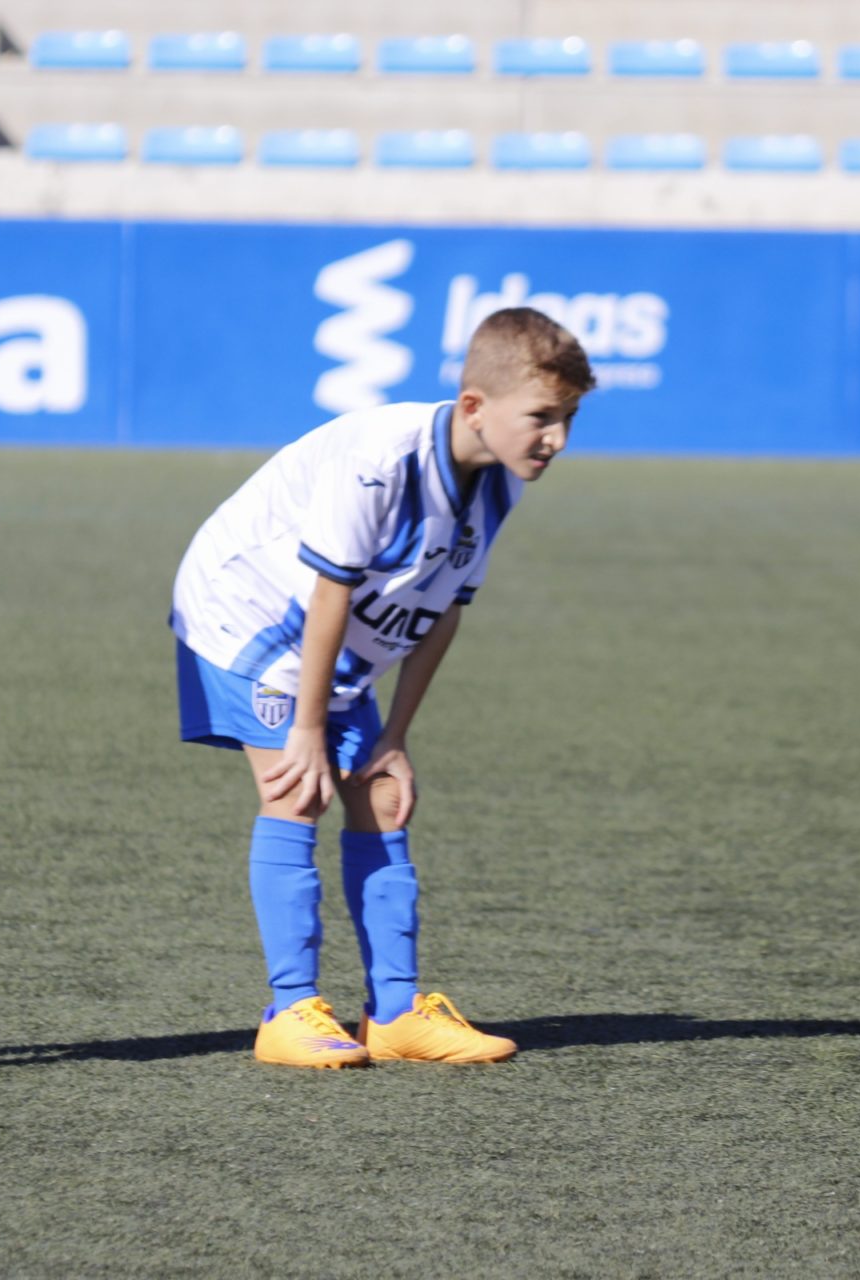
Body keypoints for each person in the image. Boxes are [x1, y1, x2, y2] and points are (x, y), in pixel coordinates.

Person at [171, 308, 595, 1067]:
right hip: (247, 611)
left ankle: (395, 1014)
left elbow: (443, 610)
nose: (556, 438)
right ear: (474, 406)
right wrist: (309, 729)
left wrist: (395, 736)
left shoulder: (499, 484)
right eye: (542, 417)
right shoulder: (381, 457)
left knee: (383, 797)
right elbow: (328, 589)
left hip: (333, 632)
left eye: (568, 419)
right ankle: (289, 1012)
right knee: (297, 791)